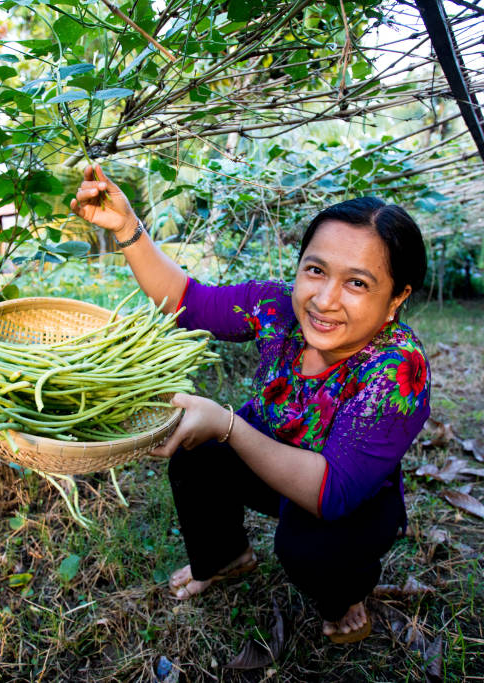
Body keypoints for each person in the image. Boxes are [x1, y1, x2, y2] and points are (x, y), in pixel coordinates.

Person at [71, 165, 430, 643]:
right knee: (194, 453)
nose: (324, 300)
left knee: (308, 549)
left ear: (396, 298)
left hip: (348, 496)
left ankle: (346, 596)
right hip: (272, 459)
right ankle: (227, 557)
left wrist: (228, 426)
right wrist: (127, 228)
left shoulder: (397, 369)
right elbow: (187, 301)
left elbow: (333, 491)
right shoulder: (277, 309)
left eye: (357, 283)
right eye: (316, 270)